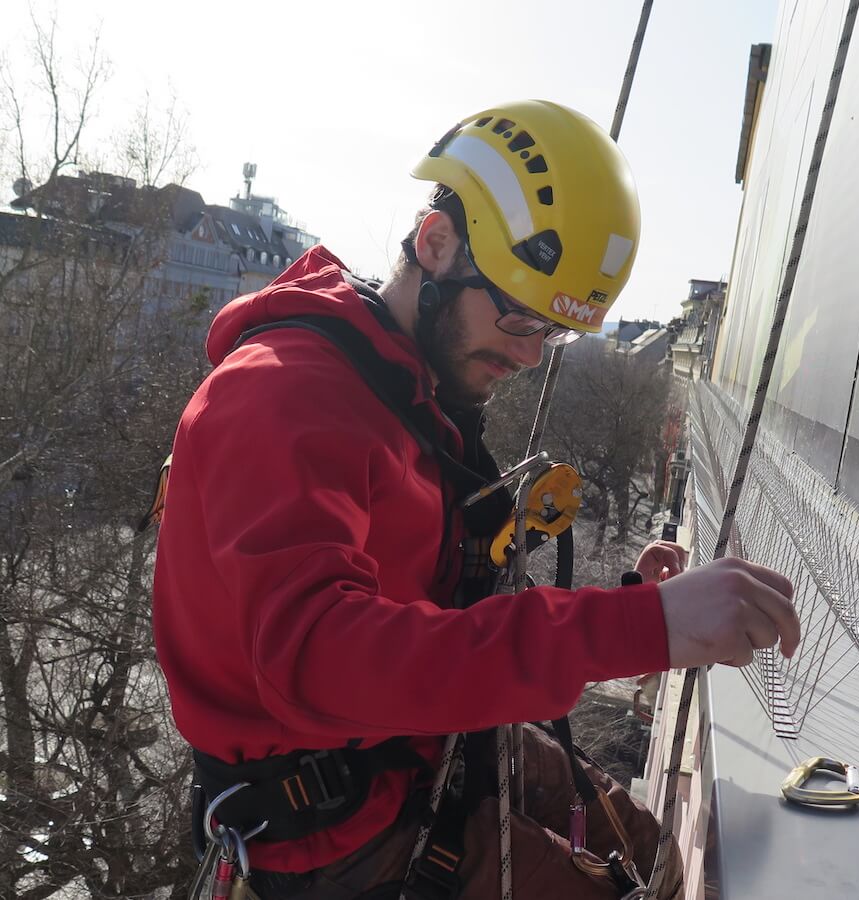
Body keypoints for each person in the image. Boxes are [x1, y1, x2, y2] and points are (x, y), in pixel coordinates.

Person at [153, 100, 799, 900]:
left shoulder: (400, 387)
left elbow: (440, 602)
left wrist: (641, 604)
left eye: (553, 333)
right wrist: (645, 627)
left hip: (413, 747)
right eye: (521, 316)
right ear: (436, 245)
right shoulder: (280, 400)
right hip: (336, 834)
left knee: (657, 857)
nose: (529, 355)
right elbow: (318, 661)